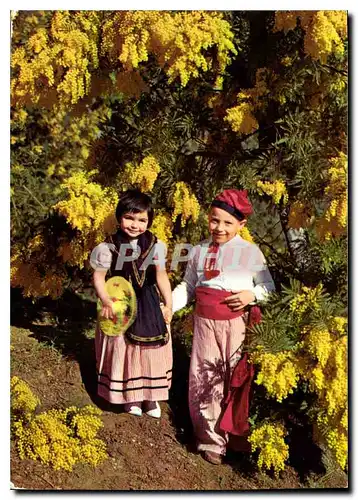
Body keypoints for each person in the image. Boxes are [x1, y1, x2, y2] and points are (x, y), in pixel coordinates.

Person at [172, 189, 275, 464]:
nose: (219, 227)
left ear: (241, 225)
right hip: (205, 324)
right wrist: (169, 305)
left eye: (228, 223)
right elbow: (188, 287)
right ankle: (211, 440)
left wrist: (251, 295)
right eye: (214, 220)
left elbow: (269, 287)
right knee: (204, 379)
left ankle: (234, 436)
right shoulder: (198, 251)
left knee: (234, 378)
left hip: (237, 324)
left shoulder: (250, 253)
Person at [90, 189, 172, 419]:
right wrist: (105, 300)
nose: (135, 224)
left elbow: (161, 276)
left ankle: (151, 396)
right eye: (129, 218)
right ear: (119, 217)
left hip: (148, 302)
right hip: (120, 299)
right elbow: (98, 278)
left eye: (142, 220)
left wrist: (168, 304)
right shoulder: (107, 247)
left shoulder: (156, 245)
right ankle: (131, 396)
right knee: (123, 346)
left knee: (151, 347)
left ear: (149, 221)